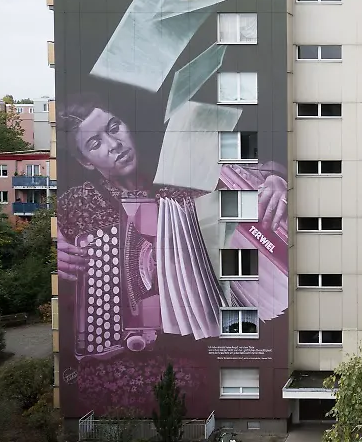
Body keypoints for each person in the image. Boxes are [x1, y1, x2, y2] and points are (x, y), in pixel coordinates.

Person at [56, 93, 287, 354]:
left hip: (204, 344)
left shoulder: (182, 168)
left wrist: (275, 177)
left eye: (114, 128)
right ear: (85, 161)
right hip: (131, 354)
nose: (114, 144)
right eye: (95, 143)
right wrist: (54, 247)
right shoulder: (78, 203)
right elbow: (51, 251)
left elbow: (252, 165)